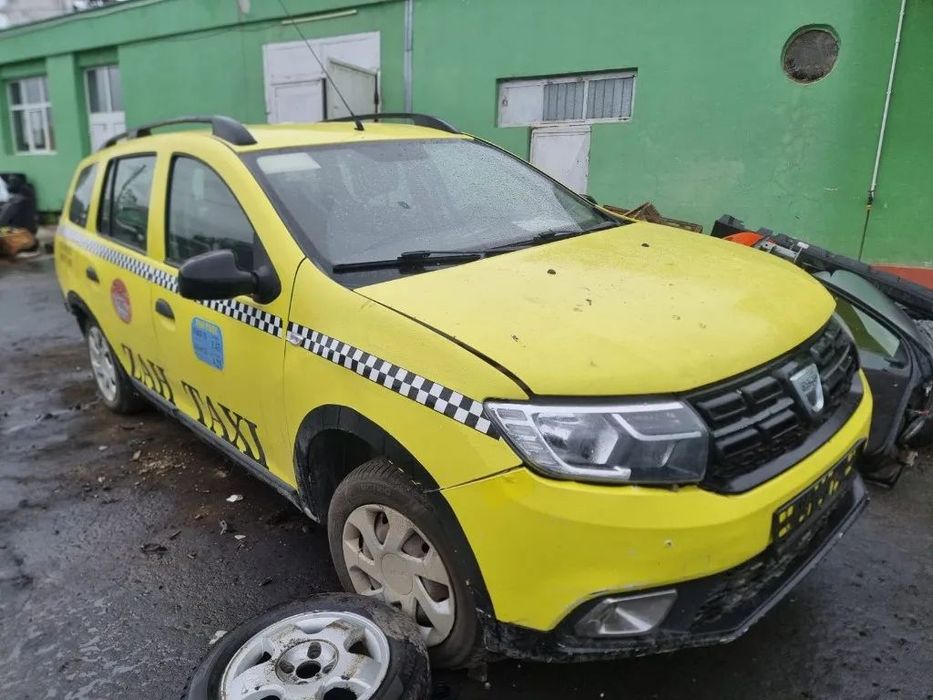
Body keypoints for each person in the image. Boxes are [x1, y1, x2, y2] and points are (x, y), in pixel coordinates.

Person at [0, 174, 39, 258]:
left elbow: (2, 221)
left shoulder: (16, 201)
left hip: (18, 235)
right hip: (30, 234)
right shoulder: (29, 194)